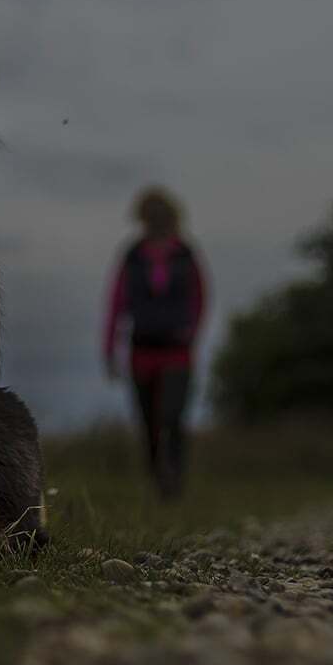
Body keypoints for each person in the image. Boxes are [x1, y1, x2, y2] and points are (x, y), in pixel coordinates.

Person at [102, 187, 209, 499]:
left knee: (173, 416)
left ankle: (174, 479)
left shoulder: (185, 254)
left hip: (177, 351)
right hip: (142, 350)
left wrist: (192, 333)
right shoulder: (133, 255)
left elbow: (200, 297)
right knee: (148, 421)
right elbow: (116, 303)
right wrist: (110, 349)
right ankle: (155, 477)